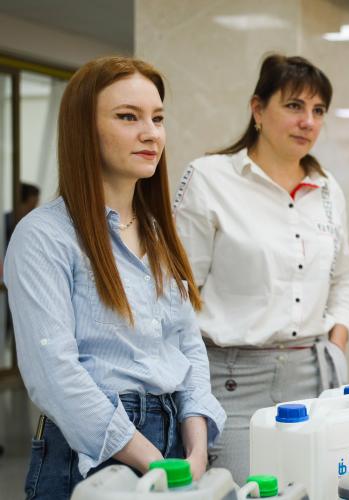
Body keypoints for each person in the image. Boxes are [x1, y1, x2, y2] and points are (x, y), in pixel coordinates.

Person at [4, 56, 225, 500]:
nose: (151, 133)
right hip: (91, 451)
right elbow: (54, 374)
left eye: (158, 118)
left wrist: (196, 449)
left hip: (176, 438)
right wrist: (153, 460)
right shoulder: (45, 235)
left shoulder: (160, 234)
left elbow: (188, 348)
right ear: (84, 128)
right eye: (128, 117)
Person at [174, 54, 349, 483]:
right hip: (233, 380)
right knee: (242, 489)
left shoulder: (327, 188)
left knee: (313, 488)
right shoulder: (209, 177)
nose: (308, 122)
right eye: (294, 106)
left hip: (315, 375)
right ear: (258, 110)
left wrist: (338, 338)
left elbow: (345, 275)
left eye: (318, 111)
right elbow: (177, 291)